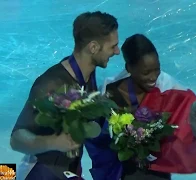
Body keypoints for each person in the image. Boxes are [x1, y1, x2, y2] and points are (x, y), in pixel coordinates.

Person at [10, 11, 120, 180]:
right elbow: (16, 139)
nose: (117, 51)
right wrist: (53, 142)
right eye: (112, 46)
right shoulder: (51, 83)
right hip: (40, 172)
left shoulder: (88, 74)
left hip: (66, 171)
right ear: (93, 48)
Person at [85, 34, 196, 180]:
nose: (153, 77)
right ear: (129, 68)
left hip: (156, 172)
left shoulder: (171, 90)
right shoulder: (111, 91)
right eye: (146, 72)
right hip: (119, 170)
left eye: (157, 69)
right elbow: (98, 137)